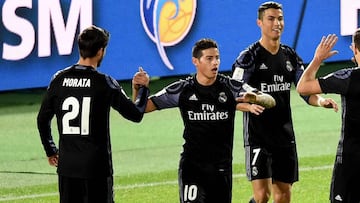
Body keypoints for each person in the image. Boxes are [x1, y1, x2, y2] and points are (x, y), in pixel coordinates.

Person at [133, 38, 275, 203]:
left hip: (221, 170)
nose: (215, 63)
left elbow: (270, 100)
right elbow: (141, 108)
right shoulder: (182, 89)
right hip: (192, 168)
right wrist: (138, 89)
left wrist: (256, 98)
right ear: (195, 61)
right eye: (209, 58)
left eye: (217, 58)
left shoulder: (231, 87)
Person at [231, 2, 338, 203]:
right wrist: (248, 105)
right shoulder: (248, 57)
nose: (277, 23)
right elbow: (233, 90)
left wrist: (321, 101)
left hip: (284, 136)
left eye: (280, 18)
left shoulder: (290, 56)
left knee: (283, 196)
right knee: (262, 196)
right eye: (271, 19)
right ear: (259, 23)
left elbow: (304, 89)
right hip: (258, 137)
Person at [37, 25, 150, 203]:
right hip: (96, 167)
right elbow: (135, 114)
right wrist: (142, 89)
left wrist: (50, 150)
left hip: (68, 168)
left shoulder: (59, 79)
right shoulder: (104, 83)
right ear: (100, 51)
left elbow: (42, 119)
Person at [297, 31, 360, 203]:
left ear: (354, 49)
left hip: (350, 160)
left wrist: (317, 59)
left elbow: (302, 87)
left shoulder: (348, 78)